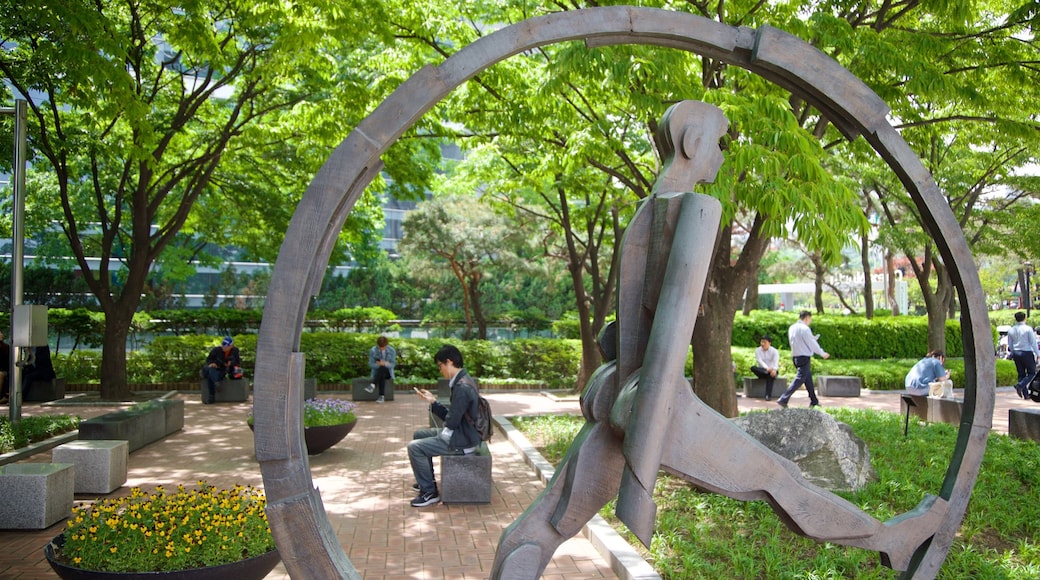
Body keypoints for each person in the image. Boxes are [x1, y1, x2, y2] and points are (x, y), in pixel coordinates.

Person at [407, 345, 481, 508]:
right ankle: (425, 481)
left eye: (440, 365)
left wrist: (442, 432)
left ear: (449, 362)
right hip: (463, 433)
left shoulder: (462, 387)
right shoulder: (464, 380)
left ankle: (429, 493)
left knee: (415, 447)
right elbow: (454, 416)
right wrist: (433, 402)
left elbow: (452, 422)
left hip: (462, 440)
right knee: (420, 435)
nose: (440, 370)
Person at [776, 311, 829, 408]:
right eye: (810, 319)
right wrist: (822, 353)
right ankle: (784, 398)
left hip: (795, 356)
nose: (810, 321)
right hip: (804, 357)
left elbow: (800, 340)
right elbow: (812, 343)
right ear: (807, 317)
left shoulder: (792, 327)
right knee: (800, 379)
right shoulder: (805, 329)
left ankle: (814, 401)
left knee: (807, 379)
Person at [201, 336, 242, 404]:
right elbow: (209, 360)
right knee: (210, 370)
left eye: (226, 346)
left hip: (222, 371)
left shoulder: (235, 351)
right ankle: (215, 383)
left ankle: (212, 395)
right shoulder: (216, 350)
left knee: (210, 376)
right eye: (223, 346)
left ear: (231, 346)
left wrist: (231, 363)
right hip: (214, 369)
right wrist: (212, 364)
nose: (224, 348)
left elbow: (237, 362)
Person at [1008, 312, 1039, 399]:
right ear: (1025, 318)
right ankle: (1020, 385)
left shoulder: (1011, 329)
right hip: (1027, 352)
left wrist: (1013, 352)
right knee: (1032, 373)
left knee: (1021, 374)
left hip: (1016, 352)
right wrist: (1038, 354)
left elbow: (1010, 344)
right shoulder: (1028, 329)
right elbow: (1033, 343)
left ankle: (1025, 394)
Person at [366, 336, 396, 403]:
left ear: (386, 345)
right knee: (382, 372)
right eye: (380, 347)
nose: (382, 349)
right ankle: (381, 396)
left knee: (383, 368)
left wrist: (385, 364)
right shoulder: (373, 350)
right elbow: (371, 364)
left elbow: (393, 364)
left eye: (384, 347)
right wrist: (379, 365)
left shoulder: (392, 350)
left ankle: (373, 385)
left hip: (388, 372)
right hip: (377, 372)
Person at [749, 334, 780, 400]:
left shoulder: (775, 351)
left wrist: (773, 370)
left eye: (764, 342)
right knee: (753, 368)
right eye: (761, 342)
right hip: (762, 371)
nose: (762, 344)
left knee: (770, 375)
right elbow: (759, 360)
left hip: (772, 371)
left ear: (769, 343)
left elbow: (776, 362)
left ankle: (768, 395)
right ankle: (768, 373)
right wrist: (767, 368)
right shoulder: (757, 350)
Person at [0, 331, 10, 404]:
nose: (1, 334)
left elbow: (7, 363)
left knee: (0, 375)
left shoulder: (5, 347)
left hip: (4, 370)